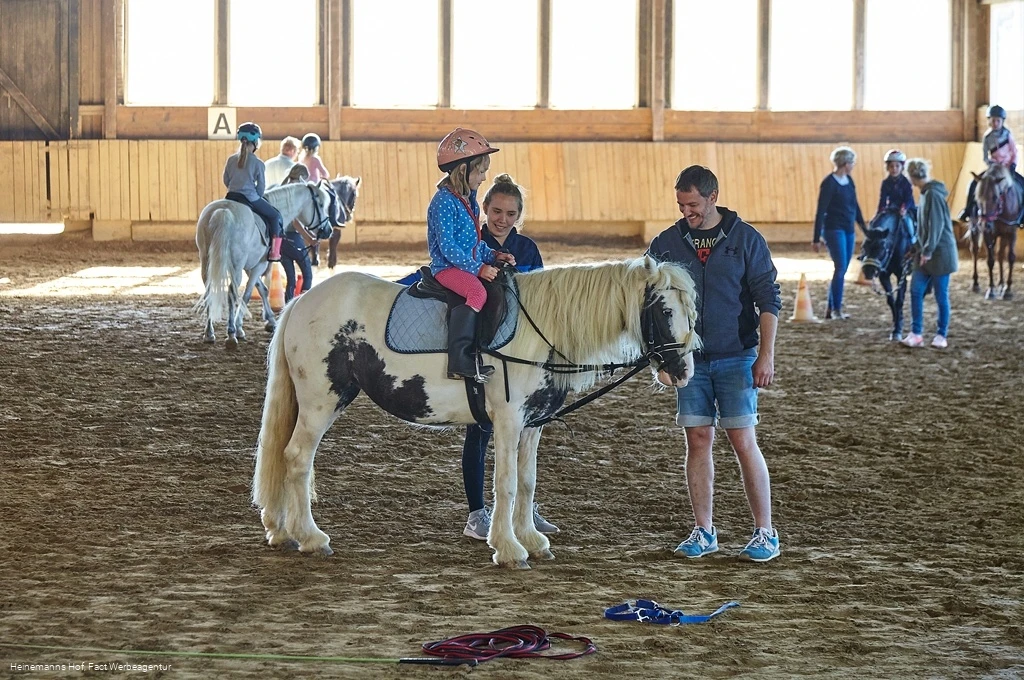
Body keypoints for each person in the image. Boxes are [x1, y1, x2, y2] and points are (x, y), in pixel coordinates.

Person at [647, 165, 783, 563]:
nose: (686, 212)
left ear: (713, 197)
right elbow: (647, 297)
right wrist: (662, 356)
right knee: (698, 439)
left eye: (692, 204)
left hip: (737, 355)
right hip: (690, 359)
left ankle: (765, 532)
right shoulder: (667, 242)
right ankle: (704, 530)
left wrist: (766, 354)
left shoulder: (745, 239)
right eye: (681, 205)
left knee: (743, 440)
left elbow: (768, 298)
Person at [459, 174, 554, 541]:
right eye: (496, 211)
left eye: (510, 213)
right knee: (480, 431)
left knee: (527, 432)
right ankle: (476, 513)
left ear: (519, 215)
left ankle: (524, 510)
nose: (502, 218)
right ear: (484, 210)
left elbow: (541, 301)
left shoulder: (527, 248)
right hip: (485, 351)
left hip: (522, 355)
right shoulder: (471, 243)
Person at [427, 127, 515, 381]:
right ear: (463, 170)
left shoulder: (469, 200)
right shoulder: (444, 201)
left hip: (465, 264)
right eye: (481, 171)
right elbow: (449, 248)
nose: (484, 178)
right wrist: (477, 269)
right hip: (447, 268)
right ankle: (459, 359)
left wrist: (494, 256)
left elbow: (473, 243)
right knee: (477, 291)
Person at [901, 159, 957, 349]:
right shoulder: (925, 194)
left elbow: (936, 226)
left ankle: (941, 335)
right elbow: (924, 228)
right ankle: (916, 333)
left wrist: (928, 251)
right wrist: (915, 248)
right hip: (926, 252)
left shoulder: (932, 194)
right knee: (916, 291)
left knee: (941, 295)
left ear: (912, 177)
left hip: (940, 253)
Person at [813, 146, 867, 320]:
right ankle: (836, 308)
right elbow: (820, 210)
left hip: (848, 229)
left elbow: (855, 206)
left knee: (842, 268)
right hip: (833, 228)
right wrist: (816, 237)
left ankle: (832, 308)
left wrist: (864, 228)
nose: (853, 165)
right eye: (852, 162)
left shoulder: (849, 181)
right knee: (841, 267)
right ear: (845, 163)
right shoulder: (829, 183)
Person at [223, 122, 283, 261]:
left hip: (230, 196)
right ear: (256, 141)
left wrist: (235, 187)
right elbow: (261, 188)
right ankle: (274, 252)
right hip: (250, 198)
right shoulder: (258, 163)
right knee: (275, 216)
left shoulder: (231, 160)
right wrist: (255, 194)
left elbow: (226, 180)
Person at [960, 105, 1023, 221]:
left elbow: (1014, 151)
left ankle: (1021, 216)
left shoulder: (1008, 134)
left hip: (1007, 167)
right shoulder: (987, 137)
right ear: (989, 121)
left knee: (1022, 184)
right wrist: (991, 164)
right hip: (994, 167)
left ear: (1002, 121)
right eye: (993, 120)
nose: (995, 123)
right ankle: (968, 210)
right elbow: (985, 156)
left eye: (998, 120)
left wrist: (1013, 164)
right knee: (974, 184)